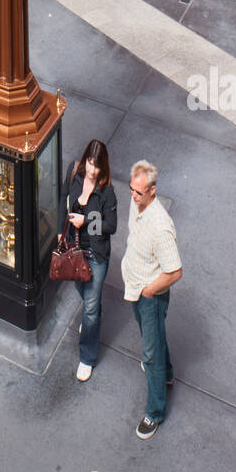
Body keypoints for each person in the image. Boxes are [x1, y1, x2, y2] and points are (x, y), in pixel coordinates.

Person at [122, 160, 183, 439]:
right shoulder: (136, 204)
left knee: (151, 353)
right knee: (153, 337)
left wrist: (149, 291)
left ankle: (154, 413)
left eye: (138, 192)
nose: (133, 196)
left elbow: (175, 271)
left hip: (149, 295)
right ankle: (167, 374)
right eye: (132, 190)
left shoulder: (161, 227)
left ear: (152, 191)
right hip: (134, 286)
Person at [60, 139, 117, 381]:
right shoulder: (74, 174)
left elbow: (111, 226)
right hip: (74, 249)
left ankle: (87, 358)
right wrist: (61, 229)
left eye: (97, 166)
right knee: (81, 289)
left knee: (91, 309)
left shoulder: (107, 192)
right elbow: (63, 197)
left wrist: (86, 223)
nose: (92, 170)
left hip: (95, 254)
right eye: (90, 163)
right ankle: (92, 316)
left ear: (103, 167)